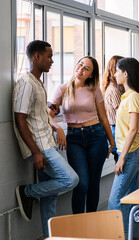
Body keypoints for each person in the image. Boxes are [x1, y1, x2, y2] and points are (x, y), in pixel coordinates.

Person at [13, 40, 79, 238]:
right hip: (41, 147)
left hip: (47, 142)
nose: (52, 61)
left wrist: (51, 111)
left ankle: (49, 237)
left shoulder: (38, 83)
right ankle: (27, 192)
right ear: (37, 57)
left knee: (50, 198)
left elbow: (37, 115)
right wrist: (35, 152)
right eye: (49, 56)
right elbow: (20, 119)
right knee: (70, 179)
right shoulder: (25, 83)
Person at [49, 56, 115, 214]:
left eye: (87, 68)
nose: (81, 69)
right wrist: (58, 128)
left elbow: (104, 118)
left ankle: (91, 221)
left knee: (93, 184)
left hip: (96, 136)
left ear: (91, 75)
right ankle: (78, 224)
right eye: (80, 65)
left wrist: (111, 143)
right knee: (81, 183)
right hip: (74, 138)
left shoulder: (94, 90)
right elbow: (48, 115)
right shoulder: (62, 89)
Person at [108, 57, 139, 240]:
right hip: (130, 152)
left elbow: (133, 128)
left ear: (125, 73)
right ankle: (134, 236)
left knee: (115, 200)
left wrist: (122, 157)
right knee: (131, 198)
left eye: (117, 71)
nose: (114, 74)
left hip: (130, 154)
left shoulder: (133, 97)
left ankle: (118, 236)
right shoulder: (129, 96)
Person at [101, 55, 124, 163]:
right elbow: (123, 113)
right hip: (117, 129)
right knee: (123, 165)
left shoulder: (116, 88)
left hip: (117, 128)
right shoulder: (114, 89)